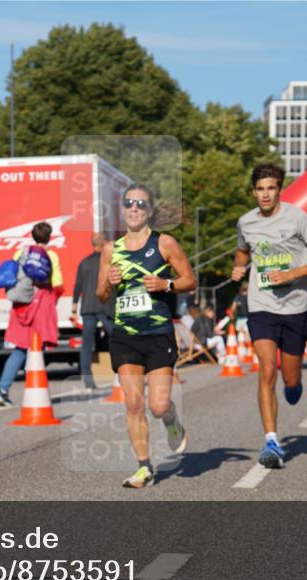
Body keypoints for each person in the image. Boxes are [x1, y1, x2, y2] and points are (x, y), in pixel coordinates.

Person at [97, 183, 196, 489]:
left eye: (141, 204)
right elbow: (100, 295)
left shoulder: (165, 243)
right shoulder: (111, 250)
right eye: (129, 203)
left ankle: (172, 420)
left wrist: (165, 286)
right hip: (125, 335)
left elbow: (189, 280)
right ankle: (144, 467)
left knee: (157, 405)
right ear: (122, 209)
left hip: (158, 333)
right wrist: (109, 284)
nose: (134, 208)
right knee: (134, 404)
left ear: (150, 211)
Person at [233, 163, 307, 469]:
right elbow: (242, 251)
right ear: (254, 191)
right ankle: (272, 442)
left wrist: (292, 273)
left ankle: (294, 383)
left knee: (289, 377)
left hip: (295, 307)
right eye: (260, 189)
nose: (265, 194)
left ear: (279, 190)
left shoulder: (297, 217)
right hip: (261, 305)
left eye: (271, 188)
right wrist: (238, 268)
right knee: (266, 370)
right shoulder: (245, 222)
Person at [0, 222, 63, 406]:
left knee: (20, 349)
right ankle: (35, 390)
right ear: (49, 236)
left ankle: (2, 389)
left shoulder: (20, 253)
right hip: (41, 303)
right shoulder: (51, 256)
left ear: (33, 235)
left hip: (21, 305)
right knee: (38, 349)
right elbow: (58, 284)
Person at [71, 233, 115, 391]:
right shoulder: (107, 262)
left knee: (87, 345)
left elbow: (77, 287)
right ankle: (123, 375)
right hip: (105, 307)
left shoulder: (84, 263)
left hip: (87, 308)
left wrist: (74, 308)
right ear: (103, 244)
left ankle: (88, 382)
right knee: (117, 340)